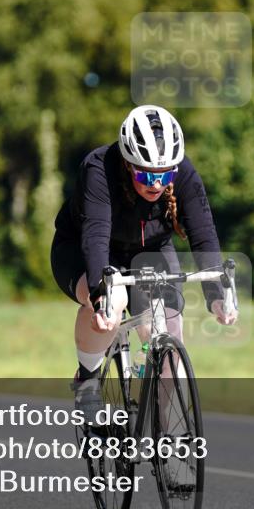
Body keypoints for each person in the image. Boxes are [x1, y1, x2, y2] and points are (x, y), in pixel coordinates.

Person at [51, 105, 238, 419]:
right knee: (114, 300)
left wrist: (217, 296)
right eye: (145, 174)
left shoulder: (185, 173)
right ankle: (88, 380)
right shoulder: (98, 168)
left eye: (164, 175)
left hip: (148, 251)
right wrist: (100, 297)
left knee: (165, 326)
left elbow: (203, 233)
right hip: (86, 249)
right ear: (127, 163)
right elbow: (95, 234)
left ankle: (166, 427)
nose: (155, 183)